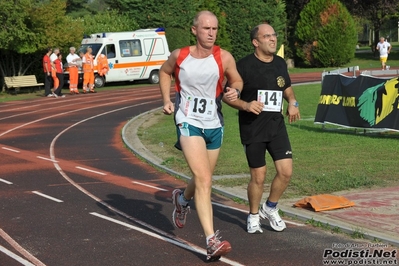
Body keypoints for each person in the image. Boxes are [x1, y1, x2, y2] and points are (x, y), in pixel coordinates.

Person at [159, 10, 243, 262]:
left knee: (203, 177)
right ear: (194, 30)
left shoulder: (224, 57)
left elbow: (237, 80)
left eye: (214, 29)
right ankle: (211, 240)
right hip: (188, 120)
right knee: (204, 178)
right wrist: (166, 100)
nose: (211, 33)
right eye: (206, 29)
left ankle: (182, 199)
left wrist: (234, 92)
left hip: (214, 123)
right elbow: (164, 72)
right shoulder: (180, 55)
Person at [223, 23, 300, 234]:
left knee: (286, 172)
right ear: (256, 42)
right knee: (259, 176)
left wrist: (293, 102)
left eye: (274, 35)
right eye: (267, 36)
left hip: (276, 127)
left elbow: (287, 88)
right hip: (253, 128)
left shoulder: (280, 63)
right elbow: (228, 97)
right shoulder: (243, 66)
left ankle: (270, 207)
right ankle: (254, 215)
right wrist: (245, 105)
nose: (273, 39)